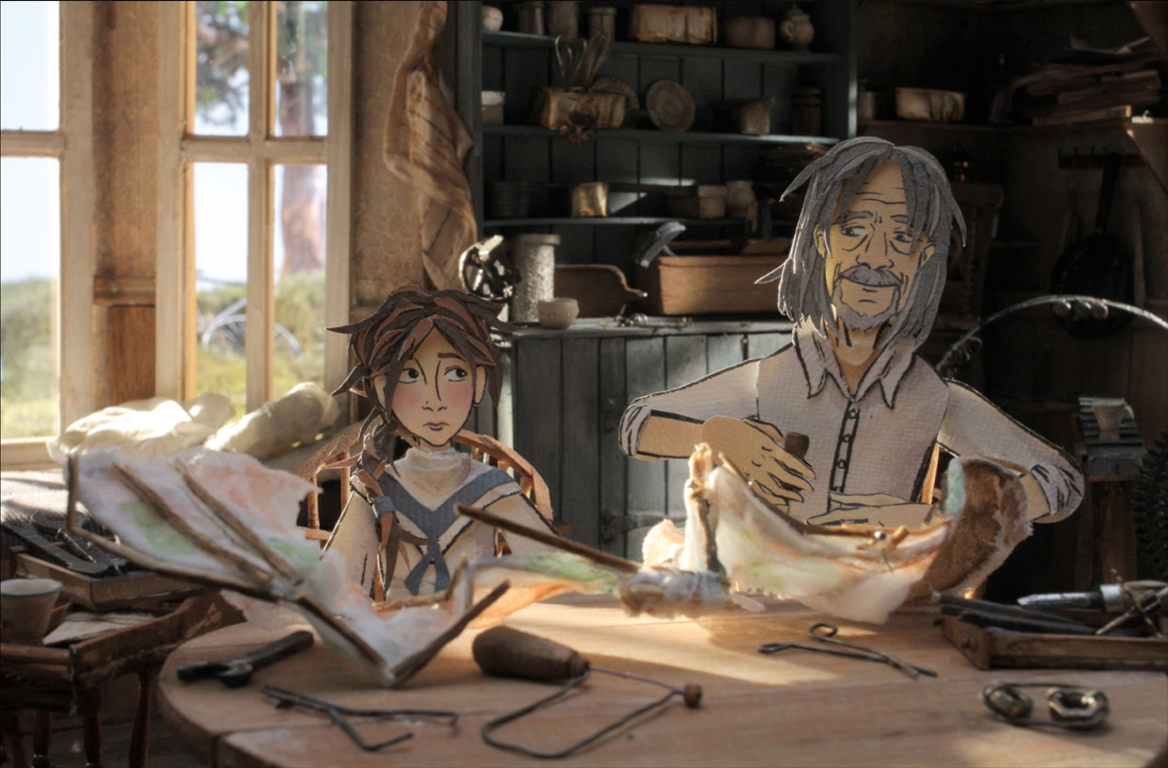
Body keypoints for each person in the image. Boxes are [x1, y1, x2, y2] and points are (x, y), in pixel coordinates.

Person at [619, 137, 1083, 529]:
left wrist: (939, 517)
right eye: (855, 230)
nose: (876, 258)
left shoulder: (932, 398)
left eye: (902, 238)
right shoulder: (770, 380)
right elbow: (636, 426)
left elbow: (1064, 482)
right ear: (822, 241)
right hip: (772, 593)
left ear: (922, 257)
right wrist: (717, 436)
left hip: (882, 596)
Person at [324, 286, 559, 600]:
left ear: (478, 382)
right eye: (409, 375)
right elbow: (336, 584)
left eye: (456, 373)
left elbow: (552, 571)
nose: (434, 400)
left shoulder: (493, 486)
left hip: (475, 620)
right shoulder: (374, 487)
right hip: (403, 625)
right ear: (381, 390)